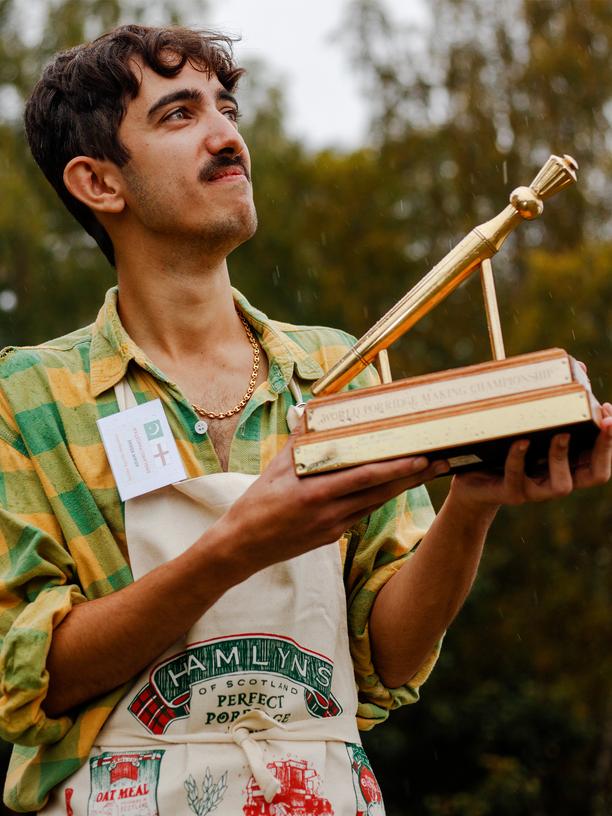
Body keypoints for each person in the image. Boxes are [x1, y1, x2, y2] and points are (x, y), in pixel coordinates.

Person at [0, 23, 610, 816]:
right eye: (179, 115)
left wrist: (474, 502)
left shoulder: (334, 369)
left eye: (228, 107)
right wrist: (240, 545)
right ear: (98, 182)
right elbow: (27, 674)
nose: (227, 137)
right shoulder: (29, 395)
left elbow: (387, 658)